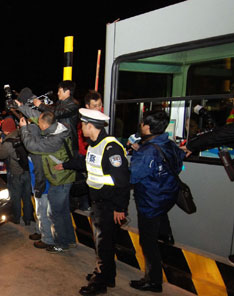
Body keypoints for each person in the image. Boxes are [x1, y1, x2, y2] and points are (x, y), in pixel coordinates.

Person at [129, 110, 185, 293]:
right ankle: (166, 237)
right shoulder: (168, 144)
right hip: (166, 197)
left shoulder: (146, 152)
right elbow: (179, 164)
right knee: (157, 232)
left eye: (143, 123)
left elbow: (133, 176)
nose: (141, 125)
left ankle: (153, 281)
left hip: (150, 202)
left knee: (148, 242)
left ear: (148, 127)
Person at [76, 108, 130, 296]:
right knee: (101, 243)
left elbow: (122, 181)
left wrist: (120, 208)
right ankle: (106, 274)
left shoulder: (110, 147)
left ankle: (101, 283)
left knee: (104, 244)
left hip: (109, 205)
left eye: (83, 125)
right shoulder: (94, 145)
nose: (81, 128)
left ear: (90, 126)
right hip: (98, 203)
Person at [17, 102, 76, 254]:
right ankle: (69, 240)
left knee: (55, 213)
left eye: (39, 123)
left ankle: (61, 243)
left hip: (60, 179)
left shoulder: (54, 140)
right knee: (62, 212)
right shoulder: (55, 126)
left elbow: (32, 147)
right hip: (62, 177)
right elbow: (37, 116)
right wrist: (20, 106)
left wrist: (24, 129)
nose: (37, 124)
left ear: (44, 125)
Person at [0, 117, 33, 225]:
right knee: (27, 197)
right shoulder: (23, 135)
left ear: (5, 129)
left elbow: (0, 155)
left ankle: (16, 217)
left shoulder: (8, 142)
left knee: (16, 196)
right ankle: (27, 219)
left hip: (16, 172)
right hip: (27, 170)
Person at [32, 81, 80, 152]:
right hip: (59, 138)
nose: (58, 93)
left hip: (69, 140)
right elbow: (53, 109)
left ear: (67, 92)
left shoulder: (73, 104)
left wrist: (41, 105)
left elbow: (58, 112)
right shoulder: (59, 103)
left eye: (59, 91)